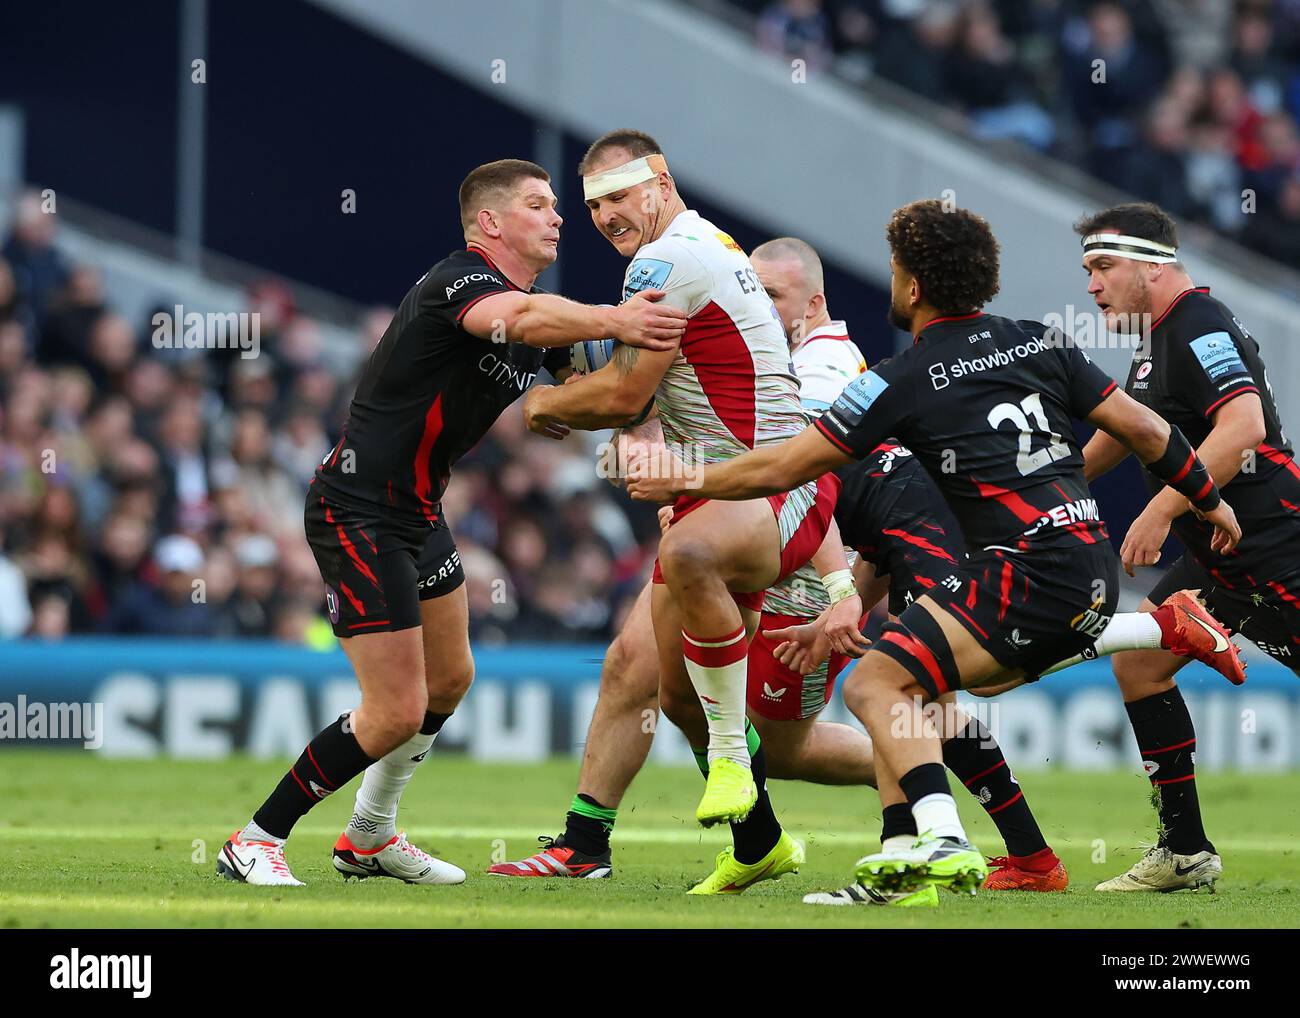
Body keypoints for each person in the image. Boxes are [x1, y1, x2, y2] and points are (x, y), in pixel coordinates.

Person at [626, 199, 1244, 896]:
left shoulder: (898, 379)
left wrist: (687, 476)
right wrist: (1209, 497)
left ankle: (943, 840)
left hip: (1021, 569)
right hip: (1083, 560)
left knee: (877, 684)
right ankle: (918, 854)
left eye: (895, 270)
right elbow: (1145, 428)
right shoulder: (1040, 341)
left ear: (912, 285)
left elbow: (780, 469)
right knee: (936, 684)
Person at [216, 158, 685, 887]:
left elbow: (608, 397)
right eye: (540, 204)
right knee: (394, 710)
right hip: (357, 508)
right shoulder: (460, 280)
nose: (559, 217)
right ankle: (255, 838)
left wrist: (649, 400)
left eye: (558, 205)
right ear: (491, 222)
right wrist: (619, 318)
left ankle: (368, 837)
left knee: (450, 680)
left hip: (417, 512)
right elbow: (521, 318)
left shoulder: (542, 323)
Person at [522, 130, 846, 892]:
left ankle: (761, 763)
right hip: (722, 484)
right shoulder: (694, 247)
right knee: (656, 683)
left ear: (660, 182)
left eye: (620, 195)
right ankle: (748, 838)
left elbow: (625, 397)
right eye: (593, 204)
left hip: (775, 486)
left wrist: (544, 403)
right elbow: (643, 394)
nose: (605, 215)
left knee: (688, 561)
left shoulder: (665, 260)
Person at [1077, 202, 1300, 892]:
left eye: (1103, 266)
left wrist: (1160, 507)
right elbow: (1127, 432)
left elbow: (1243, 426)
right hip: (1221, 564)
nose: (1091, 286)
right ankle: (1184, 850)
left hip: (1278, 549)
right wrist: (1040, 495)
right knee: (1141, 665)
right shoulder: (1156, 345)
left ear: (1153, 265)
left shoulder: (1198, 323)